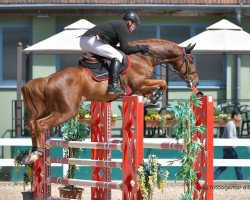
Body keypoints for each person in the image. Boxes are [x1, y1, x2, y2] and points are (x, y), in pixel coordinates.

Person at [80, 10, 149, 94]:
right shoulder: (123, 27)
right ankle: (113, 86)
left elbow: (116, 46)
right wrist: (140, 47)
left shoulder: (119, 25)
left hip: (85, 41)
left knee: (107, 56)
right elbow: (125, 49)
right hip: (91, 40)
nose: (134, 28)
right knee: (118, 56)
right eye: (135, 25)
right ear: (129, 22)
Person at [214, 110, 243, 180]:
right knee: (237, 164)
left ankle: (212, 178)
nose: (240, 118)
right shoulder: (231, 124)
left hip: (227, 148)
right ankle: (241, 182)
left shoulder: (231, 124)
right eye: (239, 116)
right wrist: (238, 141)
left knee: (223, 166)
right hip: (229, 149)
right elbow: (230, 137)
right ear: (235, 116)